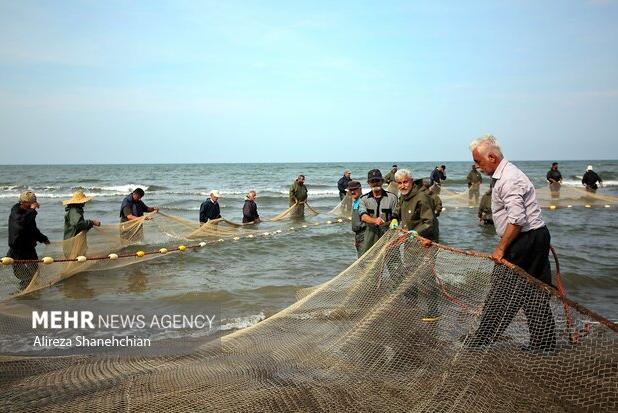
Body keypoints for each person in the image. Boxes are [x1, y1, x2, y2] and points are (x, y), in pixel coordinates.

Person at [466, 134, 556, 353]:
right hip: (533, 236)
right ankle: (544, 344)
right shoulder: (502, 175)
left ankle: (484, 337)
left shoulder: (509, 179)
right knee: (533, 290)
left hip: (525, 239)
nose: (476, 166)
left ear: (492, 157)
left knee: (502, 288)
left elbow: (517, 220)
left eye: (478, 161)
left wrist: (500, 249)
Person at [392, 169, 440, 321]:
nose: (402, 186)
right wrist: (394, 218)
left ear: (411, 181)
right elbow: (398, 210)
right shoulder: (403, 196)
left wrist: (415, 232)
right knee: (410, 273)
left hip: (426, 243)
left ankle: (433, 311)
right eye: (399, 183)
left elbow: (429, 222)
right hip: (410, 242)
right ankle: (412, 304)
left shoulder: (422, 197)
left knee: (427, 276)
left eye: (405, 182)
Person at [7, 191, 50, 289]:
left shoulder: (28, 213)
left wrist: (43, 238)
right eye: (31, 203)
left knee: (35, 274)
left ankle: (33, 293)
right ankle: (23, 295)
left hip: (29, 248)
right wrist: (32, 210)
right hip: (17, 249)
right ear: (22, 202)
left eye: (34, 202)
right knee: (24, 277)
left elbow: (32, 229)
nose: (34, 204)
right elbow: (21, 224)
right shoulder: (16, 213)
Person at [358, 169, 398, 254]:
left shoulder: (392, 198)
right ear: (369, 183)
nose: (375, 183)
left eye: (377, 180)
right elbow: (363, 216)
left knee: (393, 262)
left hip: (388, 234)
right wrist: (375, 220)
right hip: (370, 235)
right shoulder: (363, 199)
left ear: (382, 181)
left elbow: (397, 216)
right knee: (369, 260)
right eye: (372, 181)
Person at [63, 190, 101, 259]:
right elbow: (79, 224)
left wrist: (89, 225)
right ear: (78, 202)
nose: (85, 202)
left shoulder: (76, 210)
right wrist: (91, 222)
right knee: (75, 261)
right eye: (83, 201)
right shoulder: (73, 211)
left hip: (74, 241)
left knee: (79, 260)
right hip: (72, 243)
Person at [348, 181, 366, 257]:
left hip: (364, 236)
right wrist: (356, 238)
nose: (352, 192)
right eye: (350, 190)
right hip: (358, 235)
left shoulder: (364, 201)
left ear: (360, 189)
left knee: (364, 260)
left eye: (355, 189)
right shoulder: (355, 202)